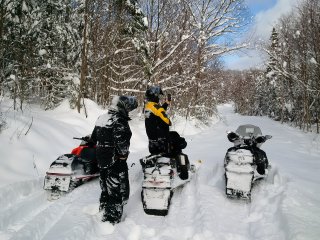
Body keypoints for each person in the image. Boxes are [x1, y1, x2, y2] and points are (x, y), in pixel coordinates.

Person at [90, 95, 138, 224]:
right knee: (116, 190)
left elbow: (94, 138)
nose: (129, 111)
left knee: (105, 187)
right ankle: (111, 220)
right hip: (116, 161)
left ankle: (103, 209)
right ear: (123, 107)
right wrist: (122, 156)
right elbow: (122, 145)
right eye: (128, 108)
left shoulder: (102, 118)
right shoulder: (120, 121)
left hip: (101, 160)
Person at [144, 86, 172, 155]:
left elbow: (157, 113)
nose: (159, 98)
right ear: (154, 97)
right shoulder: (157, 108)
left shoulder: (147, 106)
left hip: (152, 138)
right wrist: (169, 121)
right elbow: (167, 121)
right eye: (158, 96)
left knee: (155, 158)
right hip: (161, 140)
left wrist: (166, 104)